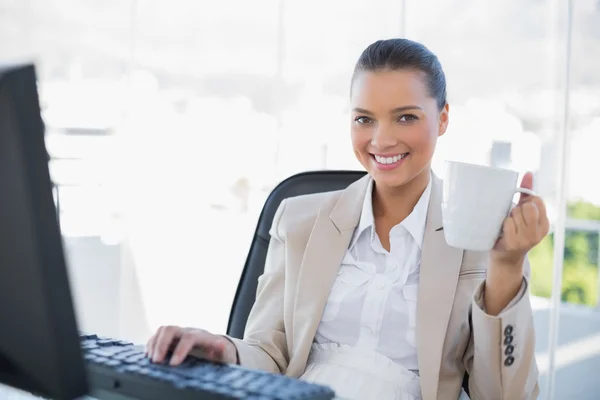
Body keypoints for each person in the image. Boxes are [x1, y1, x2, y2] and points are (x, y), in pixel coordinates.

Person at [146, 38, 547, 400]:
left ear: (442, 118)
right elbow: (270, 352)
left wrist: (507, 266)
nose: (382, 139)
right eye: (364, 119)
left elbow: (505, 396)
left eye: (405, 117)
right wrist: (225, 349)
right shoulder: (300, 219)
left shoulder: (482, 241)